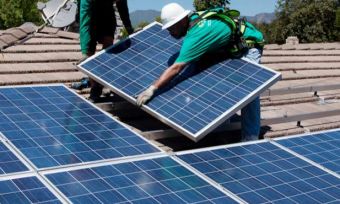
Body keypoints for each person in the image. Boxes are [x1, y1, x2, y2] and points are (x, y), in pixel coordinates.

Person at [136, 3, 264, 142]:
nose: (170, 32)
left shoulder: (197, 35)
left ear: (182, 21)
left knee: (248, 88)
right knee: (199, 67)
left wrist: (152, 88)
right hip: (226, 47)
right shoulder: (195, 21)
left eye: (172, 27)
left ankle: (250, 136)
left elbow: (176, 67)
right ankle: (220, 123)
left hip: (249, 46)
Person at [73, 0, 133, 102]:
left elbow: (122, 8)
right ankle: (94, 87)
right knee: (89, 51)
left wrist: (129, 29)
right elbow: (85, 24)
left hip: (107, 14)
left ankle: (101, 83)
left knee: (108, 49)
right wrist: (85, 53)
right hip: (89, 15)